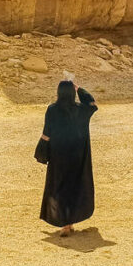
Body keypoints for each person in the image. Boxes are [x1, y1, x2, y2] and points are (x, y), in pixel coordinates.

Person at [36, 79, 98, 237]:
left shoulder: (52, 109)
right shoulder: (81, 110)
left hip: (59, 155)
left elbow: (47, 132)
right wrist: (80, 90)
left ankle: (65, 224)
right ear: (72, 93)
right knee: (74, 187)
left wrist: (42, 151)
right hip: (77, 156)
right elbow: (92, 103)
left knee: (59, 187)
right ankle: (69, 222)